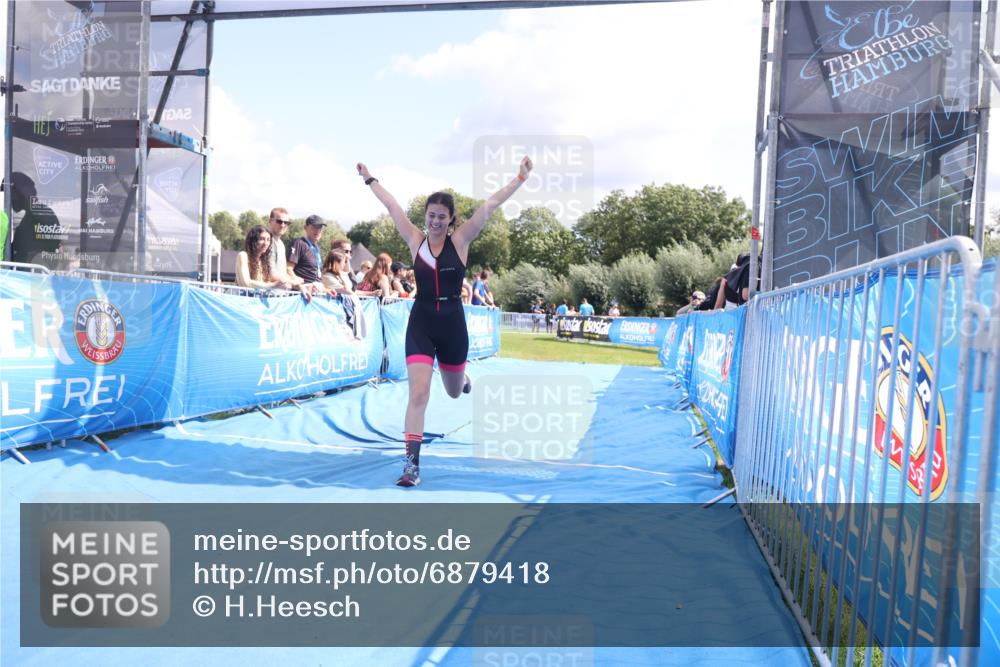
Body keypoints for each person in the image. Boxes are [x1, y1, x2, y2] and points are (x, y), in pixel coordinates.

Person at [358, 155, 533, 486]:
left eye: (442, 217)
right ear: (425, 217)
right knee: (419, 394)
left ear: (452, 220)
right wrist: (370, 179)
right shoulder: (414, 240)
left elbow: (490, 206)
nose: (435, 221)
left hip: (453, 324)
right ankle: (411, 466)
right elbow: (392, 204)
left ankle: (462, 377)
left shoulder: (460, 241)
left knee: (454, 392)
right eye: (431, 216)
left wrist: (519, 179)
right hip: (422, 321)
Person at [8, 172, 63, 265]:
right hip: (24, 273)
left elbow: (51, 244)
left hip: (33, 275)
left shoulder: (40, 212)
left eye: (12, 195)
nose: (11, 201)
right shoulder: (31, 215)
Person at [236, 225, 291, 289]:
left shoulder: (264, 261)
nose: (266, 243)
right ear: (253, 240)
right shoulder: (243, 255)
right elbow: (246, 283)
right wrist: (273, 285)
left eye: (268, 240)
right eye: (262, 239)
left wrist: (280, 285)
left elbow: (264, 284)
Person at [288, 214, 332, 292]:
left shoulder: (316, 248)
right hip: (300, 293)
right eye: (314, 227)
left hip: (315, 291)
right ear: (305, 228)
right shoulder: (299, 243)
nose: (318, 230)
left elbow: (316, 274)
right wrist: (301, 286)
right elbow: (289, 269)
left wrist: (325, 289)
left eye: (320, 228)